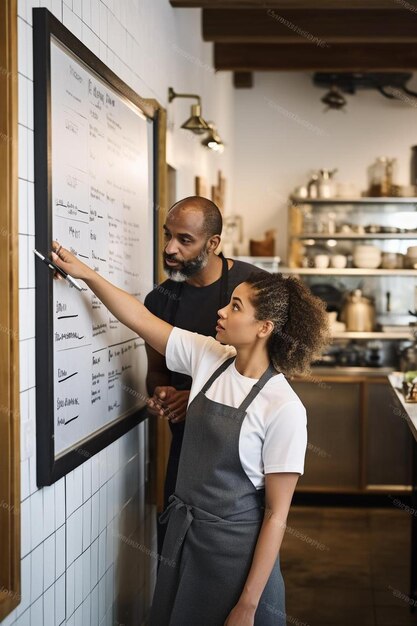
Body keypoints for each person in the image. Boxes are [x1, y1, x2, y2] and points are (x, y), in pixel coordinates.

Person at [50, 241, 330, 626]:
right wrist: (86, 275)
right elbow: (140, 319)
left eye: (235, 307)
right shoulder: (208, 356)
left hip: (235, 560)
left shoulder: (283, 407)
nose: (221, 311)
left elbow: (276, 515)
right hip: (183, 542)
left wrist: (247, 606)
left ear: (264, 328)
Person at [144, 196, 267, 555]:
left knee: (234, 551)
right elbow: (155, 371)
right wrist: (162, 395)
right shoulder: (160, 301)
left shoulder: (252, 287)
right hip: (185, 445)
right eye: (168, 235)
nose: (170, 249)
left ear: (213, 243)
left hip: (240, 451)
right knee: (176, 545)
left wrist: (196, 399)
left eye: (185, 240)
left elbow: (273, 372)